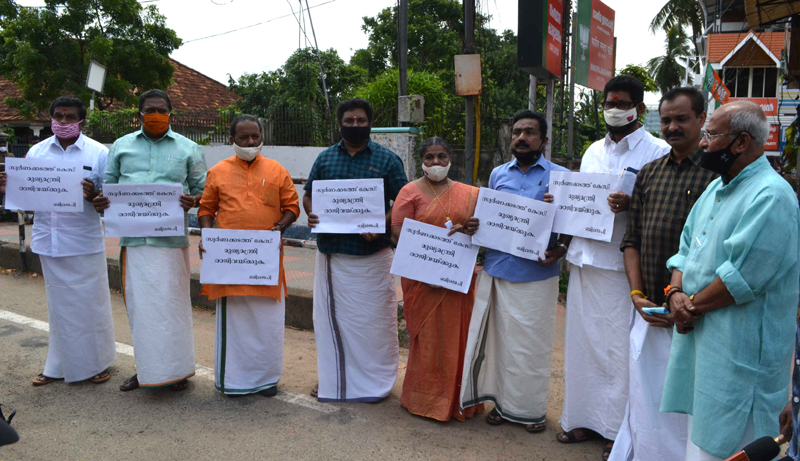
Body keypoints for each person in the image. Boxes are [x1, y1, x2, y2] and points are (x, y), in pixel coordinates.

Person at [660, 100, 800, 460]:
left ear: (740, 143)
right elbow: (686, 249)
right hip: (704, 348)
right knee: (701, 441)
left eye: (710, 135)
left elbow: (742, 278)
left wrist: (687, 307)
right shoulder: (715, 187)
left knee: (731, 447)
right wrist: (675, 292)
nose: (703, 143)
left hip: (740, 358)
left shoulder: (772, 195)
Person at [558, 75, 670, 460]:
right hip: (586, 260)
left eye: (621, 103)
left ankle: (617, 429)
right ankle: (580, 418)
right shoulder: (592, 151)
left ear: (638, 108)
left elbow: (661, 209)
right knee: (582, 345)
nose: (613, 109)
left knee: (620, 351)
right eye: (608, 102)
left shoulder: (657, 151)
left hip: (622, 267)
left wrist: (632, 204)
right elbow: (577, 203)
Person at [608, 87, 717, 461]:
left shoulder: (717, 177)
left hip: (693, 317)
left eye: (681, 119)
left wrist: (688, 303)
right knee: (646, 404)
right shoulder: (650, 173)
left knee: (684, 416)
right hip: (649, 311)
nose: (672, 127)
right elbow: (631, 240)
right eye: (666, 119)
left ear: (702, 119)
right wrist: (638, 295)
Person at [460, 110, 568, 433]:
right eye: (516, 131)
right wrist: (478, 224)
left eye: (530, 132)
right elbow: (491, 216)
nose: (521, 137)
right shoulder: (497, 174)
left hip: (536, 274)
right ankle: (503, 406)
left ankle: (530, 411)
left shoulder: (559, 176)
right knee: (500, 343)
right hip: (497, 268)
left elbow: (571, 225)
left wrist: (560, 246)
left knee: (531, 347)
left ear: (544, 140)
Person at [94, 89, 207, 392]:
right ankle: (146, 370)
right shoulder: (121, 146)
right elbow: (109, 187)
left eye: (161, 110)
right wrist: (102, 201)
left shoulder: (189, 148)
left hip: (171, 242)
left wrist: (191, 200)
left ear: (171, 113)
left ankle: (178, 371)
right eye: (149, 109)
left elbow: (203, 190)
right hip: (134, 241)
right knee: (141, 309)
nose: (155, 114)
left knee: (173, 306)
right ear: (139, 113)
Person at [0, 97, 116, 387]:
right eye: (59, 116)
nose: (63, 122)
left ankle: (96, 364)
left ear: (82, 121)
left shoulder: (99, 153)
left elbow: (110, 201)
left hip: (84, 240)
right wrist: (9, 188)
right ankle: (56, 365)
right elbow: (25, 202)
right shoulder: (36, 152)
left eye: (70, 117)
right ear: (51, 118)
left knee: (91, 305)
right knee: (59, 307)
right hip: (48, 240)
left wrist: (94, 198)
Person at [303, 97, 408, 402]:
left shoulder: (388, 159)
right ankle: (334, 380)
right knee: (330, 323)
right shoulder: (324, 159)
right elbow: (309, 196)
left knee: (373, 325)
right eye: (349, 120)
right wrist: (311, 213)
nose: (355, 125)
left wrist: (382, 224)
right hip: (334, 256)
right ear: (340, 123)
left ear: (370, 123)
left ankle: (376, 383)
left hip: (373, 258)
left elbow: (403, 202)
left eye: (361, 120)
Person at [197, 115, 300, 397]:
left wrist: (280, 226)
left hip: (265, 261)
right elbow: (206, 209)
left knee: (269, 321)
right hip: (230, 262)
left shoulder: (277, 170)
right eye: (244, 138)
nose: (251, 142)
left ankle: (266, 380)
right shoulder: (218, 171)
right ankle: (234, 380)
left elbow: (292, 206)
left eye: (255, 136)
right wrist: (208, 236)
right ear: (232, 140)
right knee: (237, 322)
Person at [390, 137, 483, 421]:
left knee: (459, 338)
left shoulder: (470, 193)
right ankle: (423, 399)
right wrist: (426, 273)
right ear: (421, 161)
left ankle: (458, 400)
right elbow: (397, 235)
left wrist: (473, 228)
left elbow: (479, 232)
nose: (436, 163)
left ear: (450, 159)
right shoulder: (409, 191)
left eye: (441, 156)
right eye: (429, 157)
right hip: (422, 284)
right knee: (428, 341)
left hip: (456, 283)